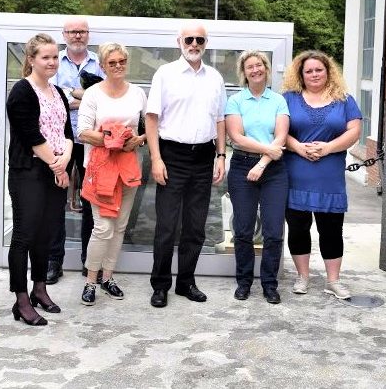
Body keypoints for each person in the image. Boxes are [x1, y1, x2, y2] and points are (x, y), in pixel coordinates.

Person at [145, 22, 227, 307]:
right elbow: (151, 118)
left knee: (195, 226)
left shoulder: (215, 78)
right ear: (179, 41)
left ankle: (186, 282)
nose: (194, 44)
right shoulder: (165, 74)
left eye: (200, 40)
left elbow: (219, 120)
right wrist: (156, 158)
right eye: (189, 39)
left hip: (204, 157)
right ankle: (160, 285)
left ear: (206, 43)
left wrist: (220, 155)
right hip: (172, 156)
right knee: (167, 225)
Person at [5, 33, 73, 325]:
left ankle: (40, 289)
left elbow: (68, 133)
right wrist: (58, 167)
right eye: (45, 57)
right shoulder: (21, 91)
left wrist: (66, 159)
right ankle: (21, 299)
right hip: (29, 172)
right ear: (31, 60)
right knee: (25, 235)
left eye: (55, 57)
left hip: (55, 169)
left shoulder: (57, 92)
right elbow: (31, 135)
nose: (52, 62)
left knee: (46, 235)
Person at [281, 51, 361, 300]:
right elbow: (278, 130)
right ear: (300, 75)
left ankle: (333, 281)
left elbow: (355, 131)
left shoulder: (344, 99)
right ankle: (302, 277)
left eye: (319, 70)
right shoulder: (288, 99)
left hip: (329, 175)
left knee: (331, 230)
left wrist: (327, 147)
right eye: (309, 71)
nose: (314, 74)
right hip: (296, 172)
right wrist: (298, 147)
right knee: (298, 228)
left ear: (328, 71)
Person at [76, 43, 147, 306]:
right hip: (100, 169)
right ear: (103, 65)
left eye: (122, 61)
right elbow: (83, 132)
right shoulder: (93, 94)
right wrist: (112, 139)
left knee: (119, 227)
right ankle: (90, 281)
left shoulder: (138, 93)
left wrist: (137, 140)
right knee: (102, 228)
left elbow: (145, 128)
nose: (118, 66)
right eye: (112, 62)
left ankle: (108, 277)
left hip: (127, 169)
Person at [225, 51, 290, 304]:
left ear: (266, 68)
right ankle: (243, 282)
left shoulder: (278, 100)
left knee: (273, 231)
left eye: (259, 65)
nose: (255, 70)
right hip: (242, 167)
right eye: (250, 67)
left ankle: (270, 285)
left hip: (273, 170)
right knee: (243, 230)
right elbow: (237, 138)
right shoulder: (236, 100)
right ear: (244, 72)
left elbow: (281, 137)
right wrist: (267, 151)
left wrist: (263, 163)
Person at [48, 17, 105, 284]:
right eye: (72, 31)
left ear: (88, 34)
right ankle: (53, 261)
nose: (77, 36)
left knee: (91, 200)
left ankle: (89, 261)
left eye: (81, 31)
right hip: (58, 139)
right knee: (55, 200)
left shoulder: (101, 62)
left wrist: (71, 95)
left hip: (90, 140)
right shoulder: (54, 61)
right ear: (64, 34)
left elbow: (103, 100)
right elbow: (51, 98)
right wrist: (83, 97)